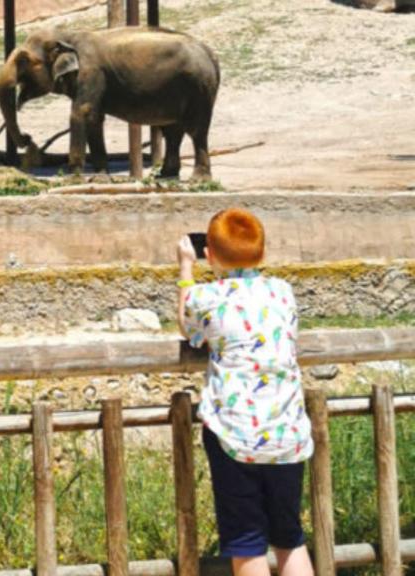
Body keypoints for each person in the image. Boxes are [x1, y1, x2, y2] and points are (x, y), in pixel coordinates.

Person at [176, 208, 314, 576]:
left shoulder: (206, 296)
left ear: (211, 255)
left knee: (247, 541)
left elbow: (189, 328)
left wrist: (186, 269)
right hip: (287, 434)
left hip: (235, 435)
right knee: (290, 537)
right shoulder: (283, 292)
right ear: (262, 254)